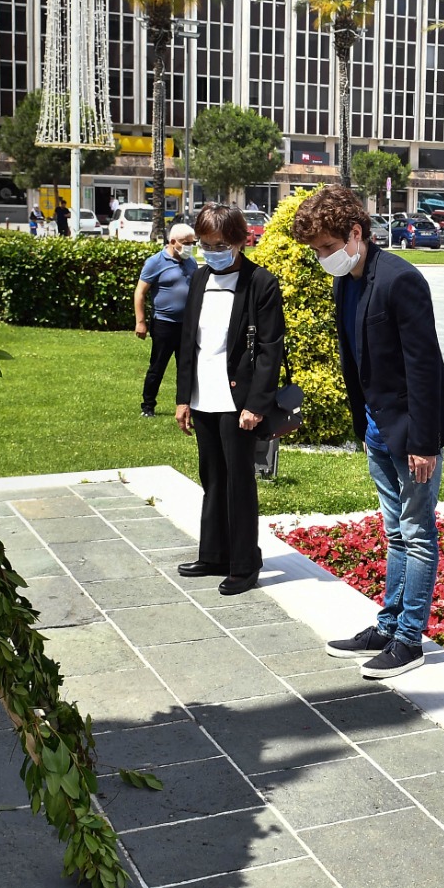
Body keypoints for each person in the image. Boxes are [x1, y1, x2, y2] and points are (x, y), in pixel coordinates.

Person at [294, 185, 444, 679]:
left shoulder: (401, 280)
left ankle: (409, 639)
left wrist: (424, 442)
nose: (323, 258)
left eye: (328, 247)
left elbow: (423, 365)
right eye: (317, 251)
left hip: (412, 434)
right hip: (376, 429)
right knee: (394, 532)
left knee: (417, 533)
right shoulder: (346, 280)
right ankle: (387, 625)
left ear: (355, 232)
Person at [173, 205, 285, 595]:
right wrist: (183, 397)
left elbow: (270, 350)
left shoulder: (261, 283)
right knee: (212, 478)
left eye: (219, 245)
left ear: (239, 241)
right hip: (203, 397)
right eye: (204, 244)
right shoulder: (200, 278)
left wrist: (256, 404)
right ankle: (214, 553)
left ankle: (243, 562)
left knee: (239, 482)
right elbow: (188, 342)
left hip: (238, 402)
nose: (210, 251)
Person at [134, 222, 198, 418]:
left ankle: (186, 404)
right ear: (172, 242)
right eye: (186, 243)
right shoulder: (155, 262)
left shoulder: (191, 262)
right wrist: (141, 321)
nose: (190, 246)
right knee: (158, 366)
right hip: (164, 323)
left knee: (186, 366)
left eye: (192, 242)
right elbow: (140, 292)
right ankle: (148, 406)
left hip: (186, 324)